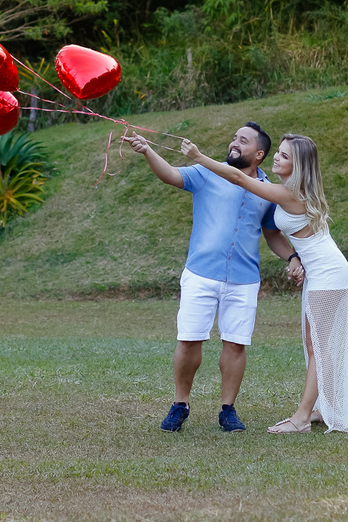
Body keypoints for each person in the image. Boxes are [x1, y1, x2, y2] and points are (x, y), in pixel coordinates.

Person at [123, 123, 300, 433]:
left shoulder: (268, 189)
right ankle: (181, 404)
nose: (234, 143)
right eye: (234, 138)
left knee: (236, 345)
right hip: (200, 273)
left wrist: (292, 256)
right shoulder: (207, 172)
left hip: (244, 279)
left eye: (242, 141)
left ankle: (228, 410)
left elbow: (272, 235)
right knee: (189, 339)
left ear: (258, 154)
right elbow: (171, 175)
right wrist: (148, 150)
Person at [180, 133, 348, 434]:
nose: (276, 157)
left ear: (299, 166)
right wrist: (294, 259)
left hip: (328, 273)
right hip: (318, 273)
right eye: (278, 152)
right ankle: (317, 407)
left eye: (285, 156)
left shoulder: (290, 193)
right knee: (314, 344)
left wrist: (199, 157)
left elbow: (238, 178)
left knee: (319, 347)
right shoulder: (288, 190)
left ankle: (302, 417)